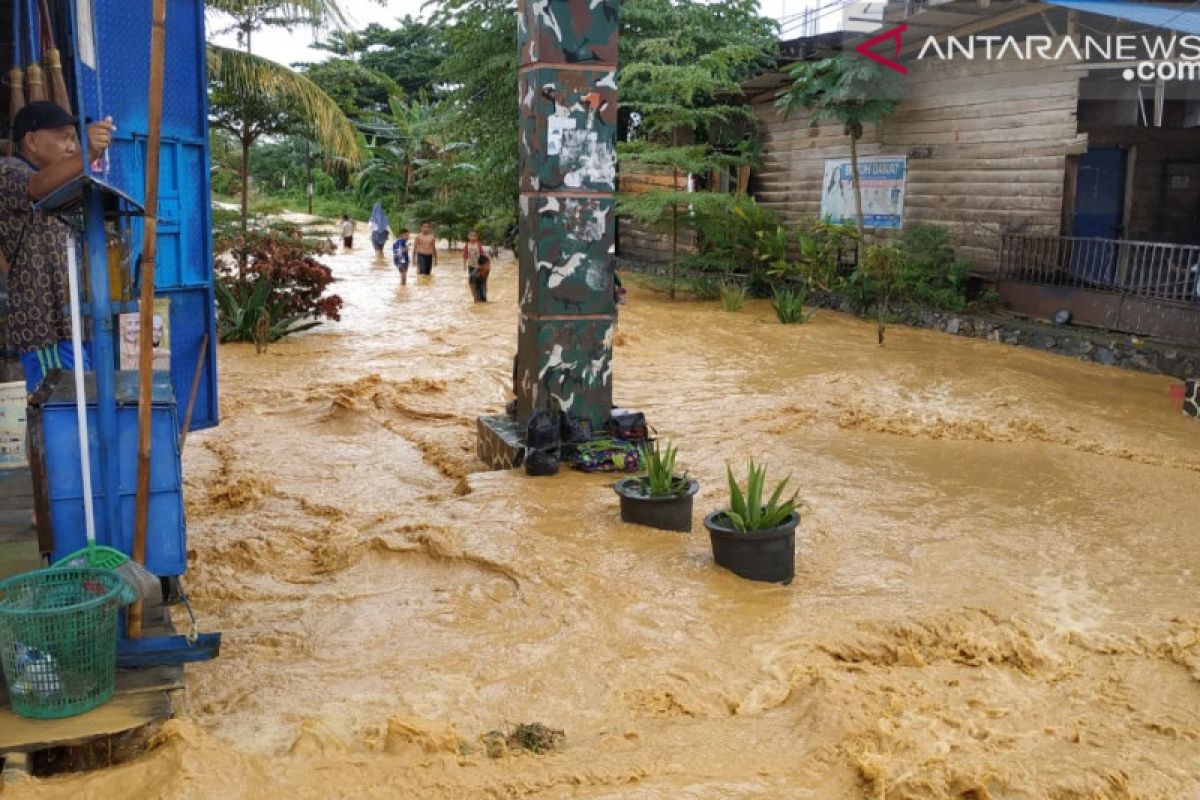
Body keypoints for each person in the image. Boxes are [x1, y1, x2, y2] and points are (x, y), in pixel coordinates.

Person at [0, 101, 115, 393]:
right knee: (59, 411)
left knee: (83, 407)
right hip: (44, 327)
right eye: (64, 137)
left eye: (74, 138)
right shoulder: (9, 170)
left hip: (75, 323)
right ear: (32, 141)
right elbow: (35, 187)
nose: (71, 145)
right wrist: (87, 153)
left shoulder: (65, 183)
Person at [463, 230, 486, 302]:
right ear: (468, 237)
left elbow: (482, 255)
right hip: (470, 266)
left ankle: (479, 298)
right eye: (471, 235)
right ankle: (475, 298)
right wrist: (464, 265)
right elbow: (465, 255)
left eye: (474, 235)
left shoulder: (479, 245)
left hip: (478, 266)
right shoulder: (467, 245)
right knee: (471, 282)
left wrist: (484, 266)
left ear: (477, 237)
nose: (473, 237)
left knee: (478, 282)